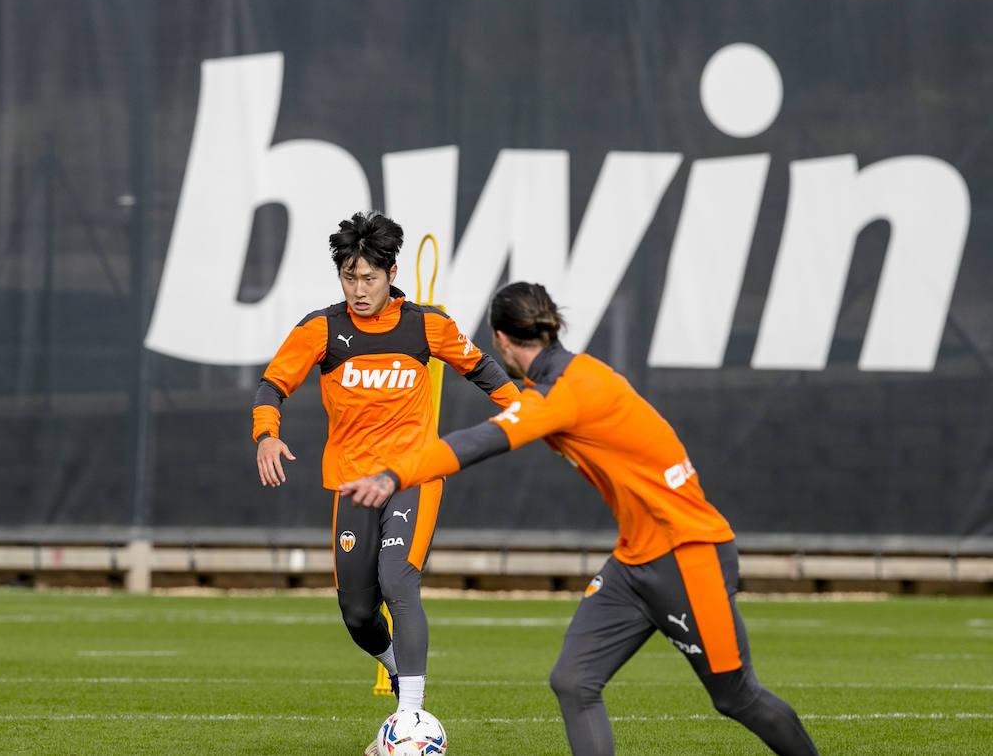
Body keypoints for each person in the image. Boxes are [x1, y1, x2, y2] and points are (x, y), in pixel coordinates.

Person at [339, 282, 820, 756]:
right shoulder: (573, 376)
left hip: (689, 556)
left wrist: (393, 475)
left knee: (736, 697)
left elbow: (480, 442)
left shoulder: (564, 393)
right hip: (636, 563)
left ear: (502, 340)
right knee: (573, 681)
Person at [251, 211, 519, 735]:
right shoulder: (322, 328)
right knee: (356, 614)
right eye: (349, 277)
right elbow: (272, 385)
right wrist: (267, 434)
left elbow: (486, 372)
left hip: (415, 474)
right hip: (353, 483)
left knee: (398, 579)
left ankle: (412, 715)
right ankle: (397, 673)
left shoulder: (427, 325)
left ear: (392, 273)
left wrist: (533, 419)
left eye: (368, 277)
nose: (358, 288)